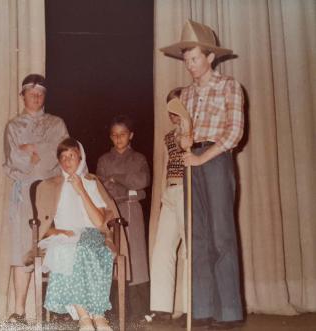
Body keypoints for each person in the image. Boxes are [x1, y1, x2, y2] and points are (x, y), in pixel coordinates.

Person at [160, 20, 244, 329]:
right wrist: (185, 140)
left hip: (216, 160)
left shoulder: (229, 86)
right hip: (193, 161)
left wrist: (202, 157)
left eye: (194, 59)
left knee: (221, 235)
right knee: (197, 236)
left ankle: (229, 312)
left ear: (210, 57)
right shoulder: (185, 94)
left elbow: (234, 132)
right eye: (186, 60)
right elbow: (185, 131)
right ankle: (204, 308)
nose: (190, 66)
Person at [3, 74, 69, 322]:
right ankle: (19, 311)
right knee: (23, 250)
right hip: (23, 195)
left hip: (53, 192)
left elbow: (61, 153)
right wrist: (34, 152)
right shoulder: (13, 126)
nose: (36, 97)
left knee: (57, 247)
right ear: (22, 96)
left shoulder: (56, 123)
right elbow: (13, 160)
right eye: (31, 93)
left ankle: (59, 308)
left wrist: (32, 149)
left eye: (41, 93)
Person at [35, 138, 116, 331]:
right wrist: (57, 231)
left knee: (83, 249)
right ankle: (85, 317)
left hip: (91, 233)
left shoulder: (91, 182)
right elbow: (43, 223)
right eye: (62, 157)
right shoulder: (50, 185)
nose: (67, 161)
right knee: (65, 251)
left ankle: (97, 315)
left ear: (81, 157)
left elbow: (98, 222)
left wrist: (81, 190)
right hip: (63, 237)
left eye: (71, 155)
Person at [96, 115, 150, 319]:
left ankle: (138, 313)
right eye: (114, 135)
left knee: (135, 257)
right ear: (110, 137)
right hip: (111, 212)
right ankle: (113, 311)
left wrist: (116, 179)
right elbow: (102, 186)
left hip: (131, 212)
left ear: (131, 135)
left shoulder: (139, 159)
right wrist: (129, 189)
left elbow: (142, 180)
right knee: (112, 257)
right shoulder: (103, 160)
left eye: (123, 134)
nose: (119, 138)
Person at [148, 88, 189, 323]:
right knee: (163, 248)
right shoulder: (167, 137)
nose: (173, 114)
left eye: (177, 108)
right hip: (171, 193)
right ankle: (162, 306)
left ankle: (187, 308)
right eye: (170, 110)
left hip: (187, 191)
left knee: (188, 250)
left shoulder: (194, 134)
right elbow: (165, 167)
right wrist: (163, 192)